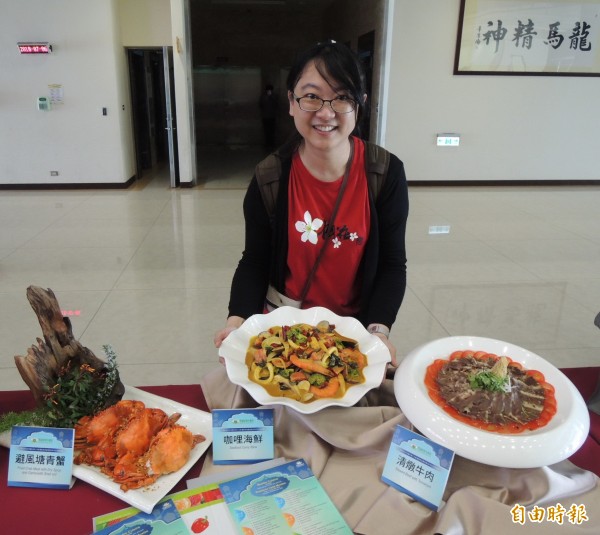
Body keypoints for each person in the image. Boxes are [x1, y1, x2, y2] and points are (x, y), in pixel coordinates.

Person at [214, 40, 408, 367]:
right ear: (291, 102)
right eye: (311, 95)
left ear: (359, 103)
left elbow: (392, 263)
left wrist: (378, 332)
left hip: (352, 333)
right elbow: (255, 261)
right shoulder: (270, 177)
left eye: (342, 96)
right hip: (283, 329)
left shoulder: (384, 173)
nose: (326, 111)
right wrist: (237, 322)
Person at [259, 83, 278, 148]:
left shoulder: (273, 96)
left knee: (271, 131)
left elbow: (276, 104)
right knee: (267, 131)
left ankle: (271, 143)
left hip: (270, 116)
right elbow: (261, 105)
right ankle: (268, 143)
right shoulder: (264, 96)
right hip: (267, 116)